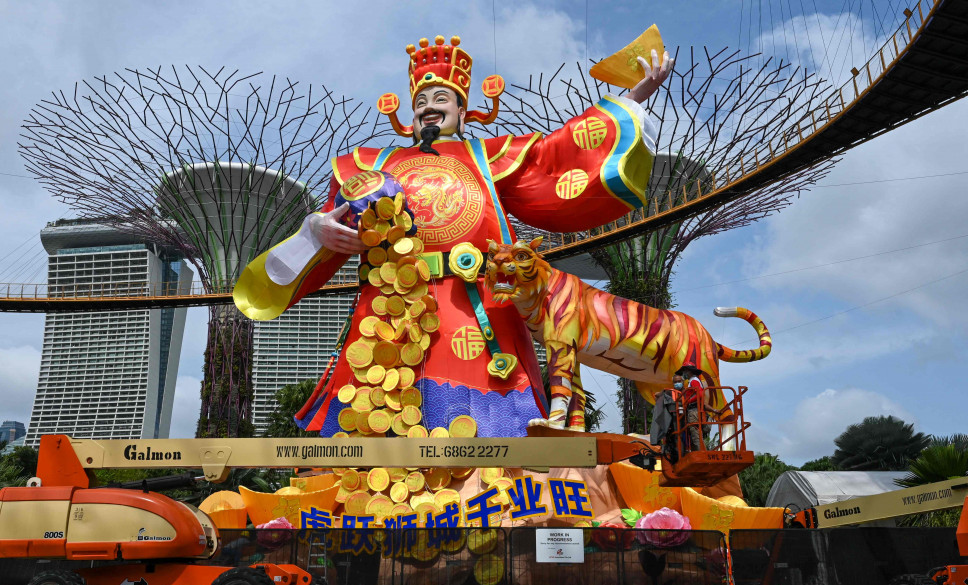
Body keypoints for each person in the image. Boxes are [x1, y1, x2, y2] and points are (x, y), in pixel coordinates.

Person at [235, 35, 673, 437]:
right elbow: (336, 220)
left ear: (463, 111)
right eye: (421, 99)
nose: (429, 106)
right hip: (390, 313)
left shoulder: (490, 154)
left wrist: (633, 98)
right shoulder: (369, 166)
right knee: (378, 417)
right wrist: (317, 229)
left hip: (480, 310)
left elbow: (559, 153)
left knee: (495, 431)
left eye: (441, 98)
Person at [679, 363, 706, 452]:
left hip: (694, 410)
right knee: (695, 433)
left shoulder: (694, 380)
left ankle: (700, 453)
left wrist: (688, 401)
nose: (684, 373)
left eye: (685, 371)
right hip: (694, 409)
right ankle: (700, 451)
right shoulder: (693, 380)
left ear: (689, 371)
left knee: (695, 433)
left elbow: (700, 394)